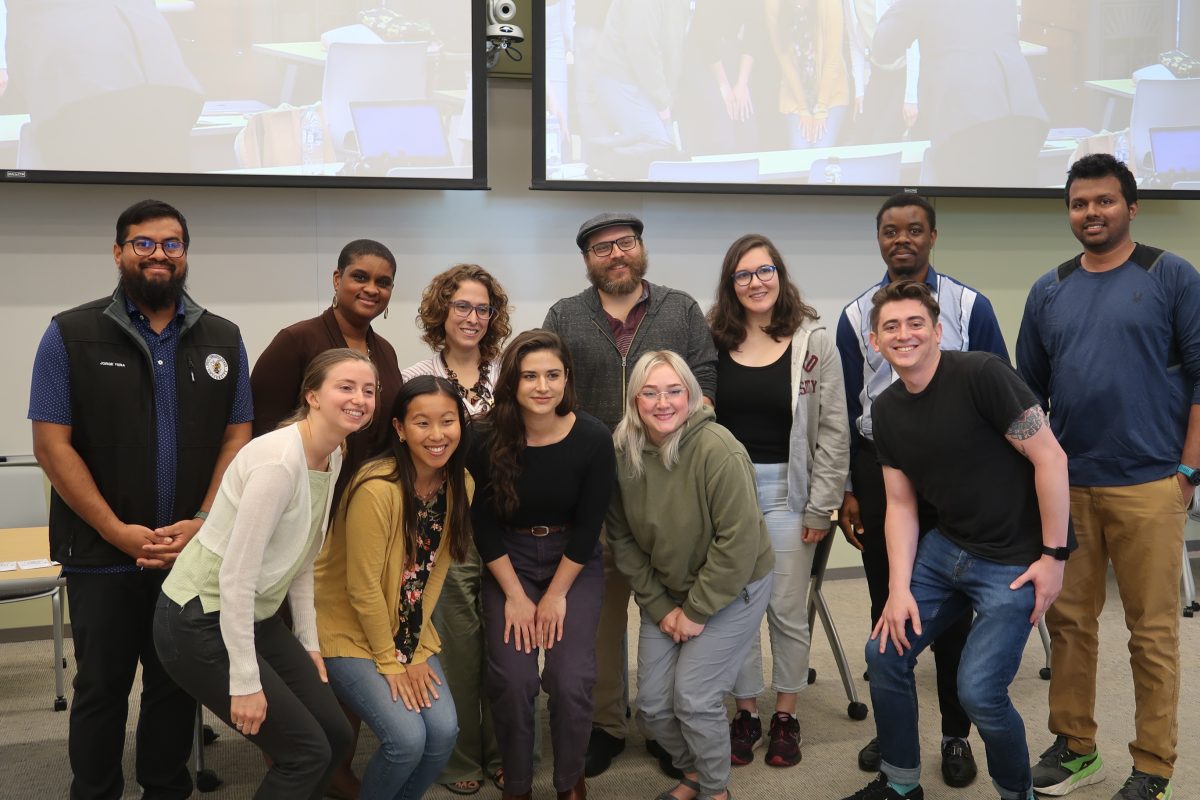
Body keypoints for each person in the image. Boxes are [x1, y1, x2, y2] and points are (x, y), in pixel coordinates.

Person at [28, 198, 253, 800]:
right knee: (100, 688)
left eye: (171, 243)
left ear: (186, 253)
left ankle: (165, 788)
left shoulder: (224, 338)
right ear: (119, 252)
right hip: (101, 552)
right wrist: (116, 528)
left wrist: (202, 521)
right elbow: (52, 446)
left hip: (190, 550)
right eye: (143, 243)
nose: (158, 254)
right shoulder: (69, 332)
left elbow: (238, 437)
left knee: (175, 685)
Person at [840, 279, 1070, 800]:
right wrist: (898, 589)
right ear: (875, 342)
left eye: (916, 323)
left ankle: (1017, 793)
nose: (905, 334)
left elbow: (1050, 458)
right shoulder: (887, 411)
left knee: (980, 692)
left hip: (1014, 558)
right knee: (885, 655)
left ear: (939, 330)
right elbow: (900, 505)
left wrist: (1053, 557)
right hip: (949, 548)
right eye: (891, 327)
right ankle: (901, 785)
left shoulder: (982, 374)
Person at [1017, 153, 1200, 800]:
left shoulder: (1172, 276)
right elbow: (1028, 398)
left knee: (1151, 634)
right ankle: (1076, 748)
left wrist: (1187, 471)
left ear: (1131, 206)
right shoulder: (1050, 290)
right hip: (1072, 487)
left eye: (1104, 201)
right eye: (1079, 203)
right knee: (1069, 623)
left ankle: (1153, 765)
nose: (1091, 213)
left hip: (1151, 483)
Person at [836, 192, 1009, 787]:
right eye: (890, 231)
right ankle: (895, 730)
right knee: (891, 598)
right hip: (882, 469)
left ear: (933, 236)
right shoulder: (856, 314)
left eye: (914, 230)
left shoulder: (969, 304)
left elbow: (1003, 393)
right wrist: (848, 490)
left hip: (958, 475)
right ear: (879, 239)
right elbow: (847, 406)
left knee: (952, 608)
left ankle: (955, 733)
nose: (901, 239)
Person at [153, 348, 375, 798]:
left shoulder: (332, 454)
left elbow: (302, 561)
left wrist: (309, 646)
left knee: (335, 736)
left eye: (369, 390)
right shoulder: (279, 463)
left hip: (253, 615)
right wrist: (245, 682)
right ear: (312, 396)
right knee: (304, 753)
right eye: (345, 387)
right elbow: (235, 576)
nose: (360, 399)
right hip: (198, 619)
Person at [542, 211, 718, 778]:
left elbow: (706, 380)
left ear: (640, 248)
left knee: (670, 610)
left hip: (669, 490)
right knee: (600, 615)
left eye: (625, 243)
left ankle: (666, 723)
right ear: (587, 260)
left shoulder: (681, 308)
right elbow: (550, 392)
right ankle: (606, 724)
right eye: (601, 248)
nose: (615, 254)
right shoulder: (565, 315)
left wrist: (680, 444)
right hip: (594, 495)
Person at [707, 233, 849, 767]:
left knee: (787, 610)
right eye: (743, 275)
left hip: (791, 492)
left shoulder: (814, 341)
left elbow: (834, 431)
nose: (755, 282)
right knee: (735, 609)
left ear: (780, 275)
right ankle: (745, 712)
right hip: (728, 496)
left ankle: (785, 715)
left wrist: (822, 506)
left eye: (764, 271)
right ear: (731, 285)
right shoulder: (713, 339)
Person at [607, 350, 775, 800]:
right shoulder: (623, 451)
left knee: (695, 699)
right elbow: (622, 538)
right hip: (666, 588)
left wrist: (696, 611)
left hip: (734, 586)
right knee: (655, 709)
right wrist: (662, 607)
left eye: (674, 391)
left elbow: (736, 545)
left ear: (691, 395)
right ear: (634, 400)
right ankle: (694, 772)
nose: (663, 403)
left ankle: (715, 790)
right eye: (650, 392)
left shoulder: (719, 449)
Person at [469, 330, 615, 800]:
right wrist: (515, 595)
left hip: (572, 562)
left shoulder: (592, 437)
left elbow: (591, 525)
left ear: (567, 379)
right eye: (529, 376)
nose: (542, 386)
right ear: (511, 382)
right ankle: (517, 784)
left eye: (553, 375)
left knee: (570, 678)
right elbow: (483, 525)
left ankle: (569, 779)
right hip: (506, 562)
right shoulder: (485, 437)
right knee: (512, 679)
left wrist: (553, 596)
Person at [316, 375, 473, 800]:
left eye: (448, 421)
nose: (437, 435)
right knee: (405, 741)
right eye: (422, 423)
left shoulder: (461, 486)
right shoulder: (377, 487)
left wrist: (415, 647)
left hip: (405, 630)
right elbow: (363, 590)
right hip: (348, 629)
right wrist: (392, 661)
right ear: (400, 429)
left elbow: (434, 572)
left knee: (443, 734)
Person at [403, 264, 512, 795]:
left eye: (482, 309)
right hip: (449, 533)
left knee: (508, 648)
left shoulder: (508, 371)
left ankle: (508, 751)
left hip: (510, 531)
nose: (473, 317)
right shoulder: (418, 374)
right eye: (462, 306)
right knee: (459, 649)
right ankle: (462, 758)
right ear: (441, 311)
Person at [251, 238, 403, 500]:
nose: (371, 289)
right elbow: (262, 430)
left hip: (370, 499)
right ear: (337, 279)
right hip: (304, 497)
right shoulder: (296, 340)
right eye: (360, 277)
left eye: (383, 282)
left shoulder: (386, 352)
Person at [870, 0, 1048, 187]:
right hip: (1022, 110)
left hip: (966, 118)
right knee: (1018, 208)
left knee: (964, 209)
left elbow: (884, 46)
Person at [765, 0, 850, 150]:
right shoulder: (772, 4)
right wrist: (803, 108)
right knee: (800, 150)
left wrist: (821, 108)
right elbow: (784, 60)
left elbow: (833, 59)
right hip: (795, 97)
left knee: (821, 150)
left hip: (831, 94)